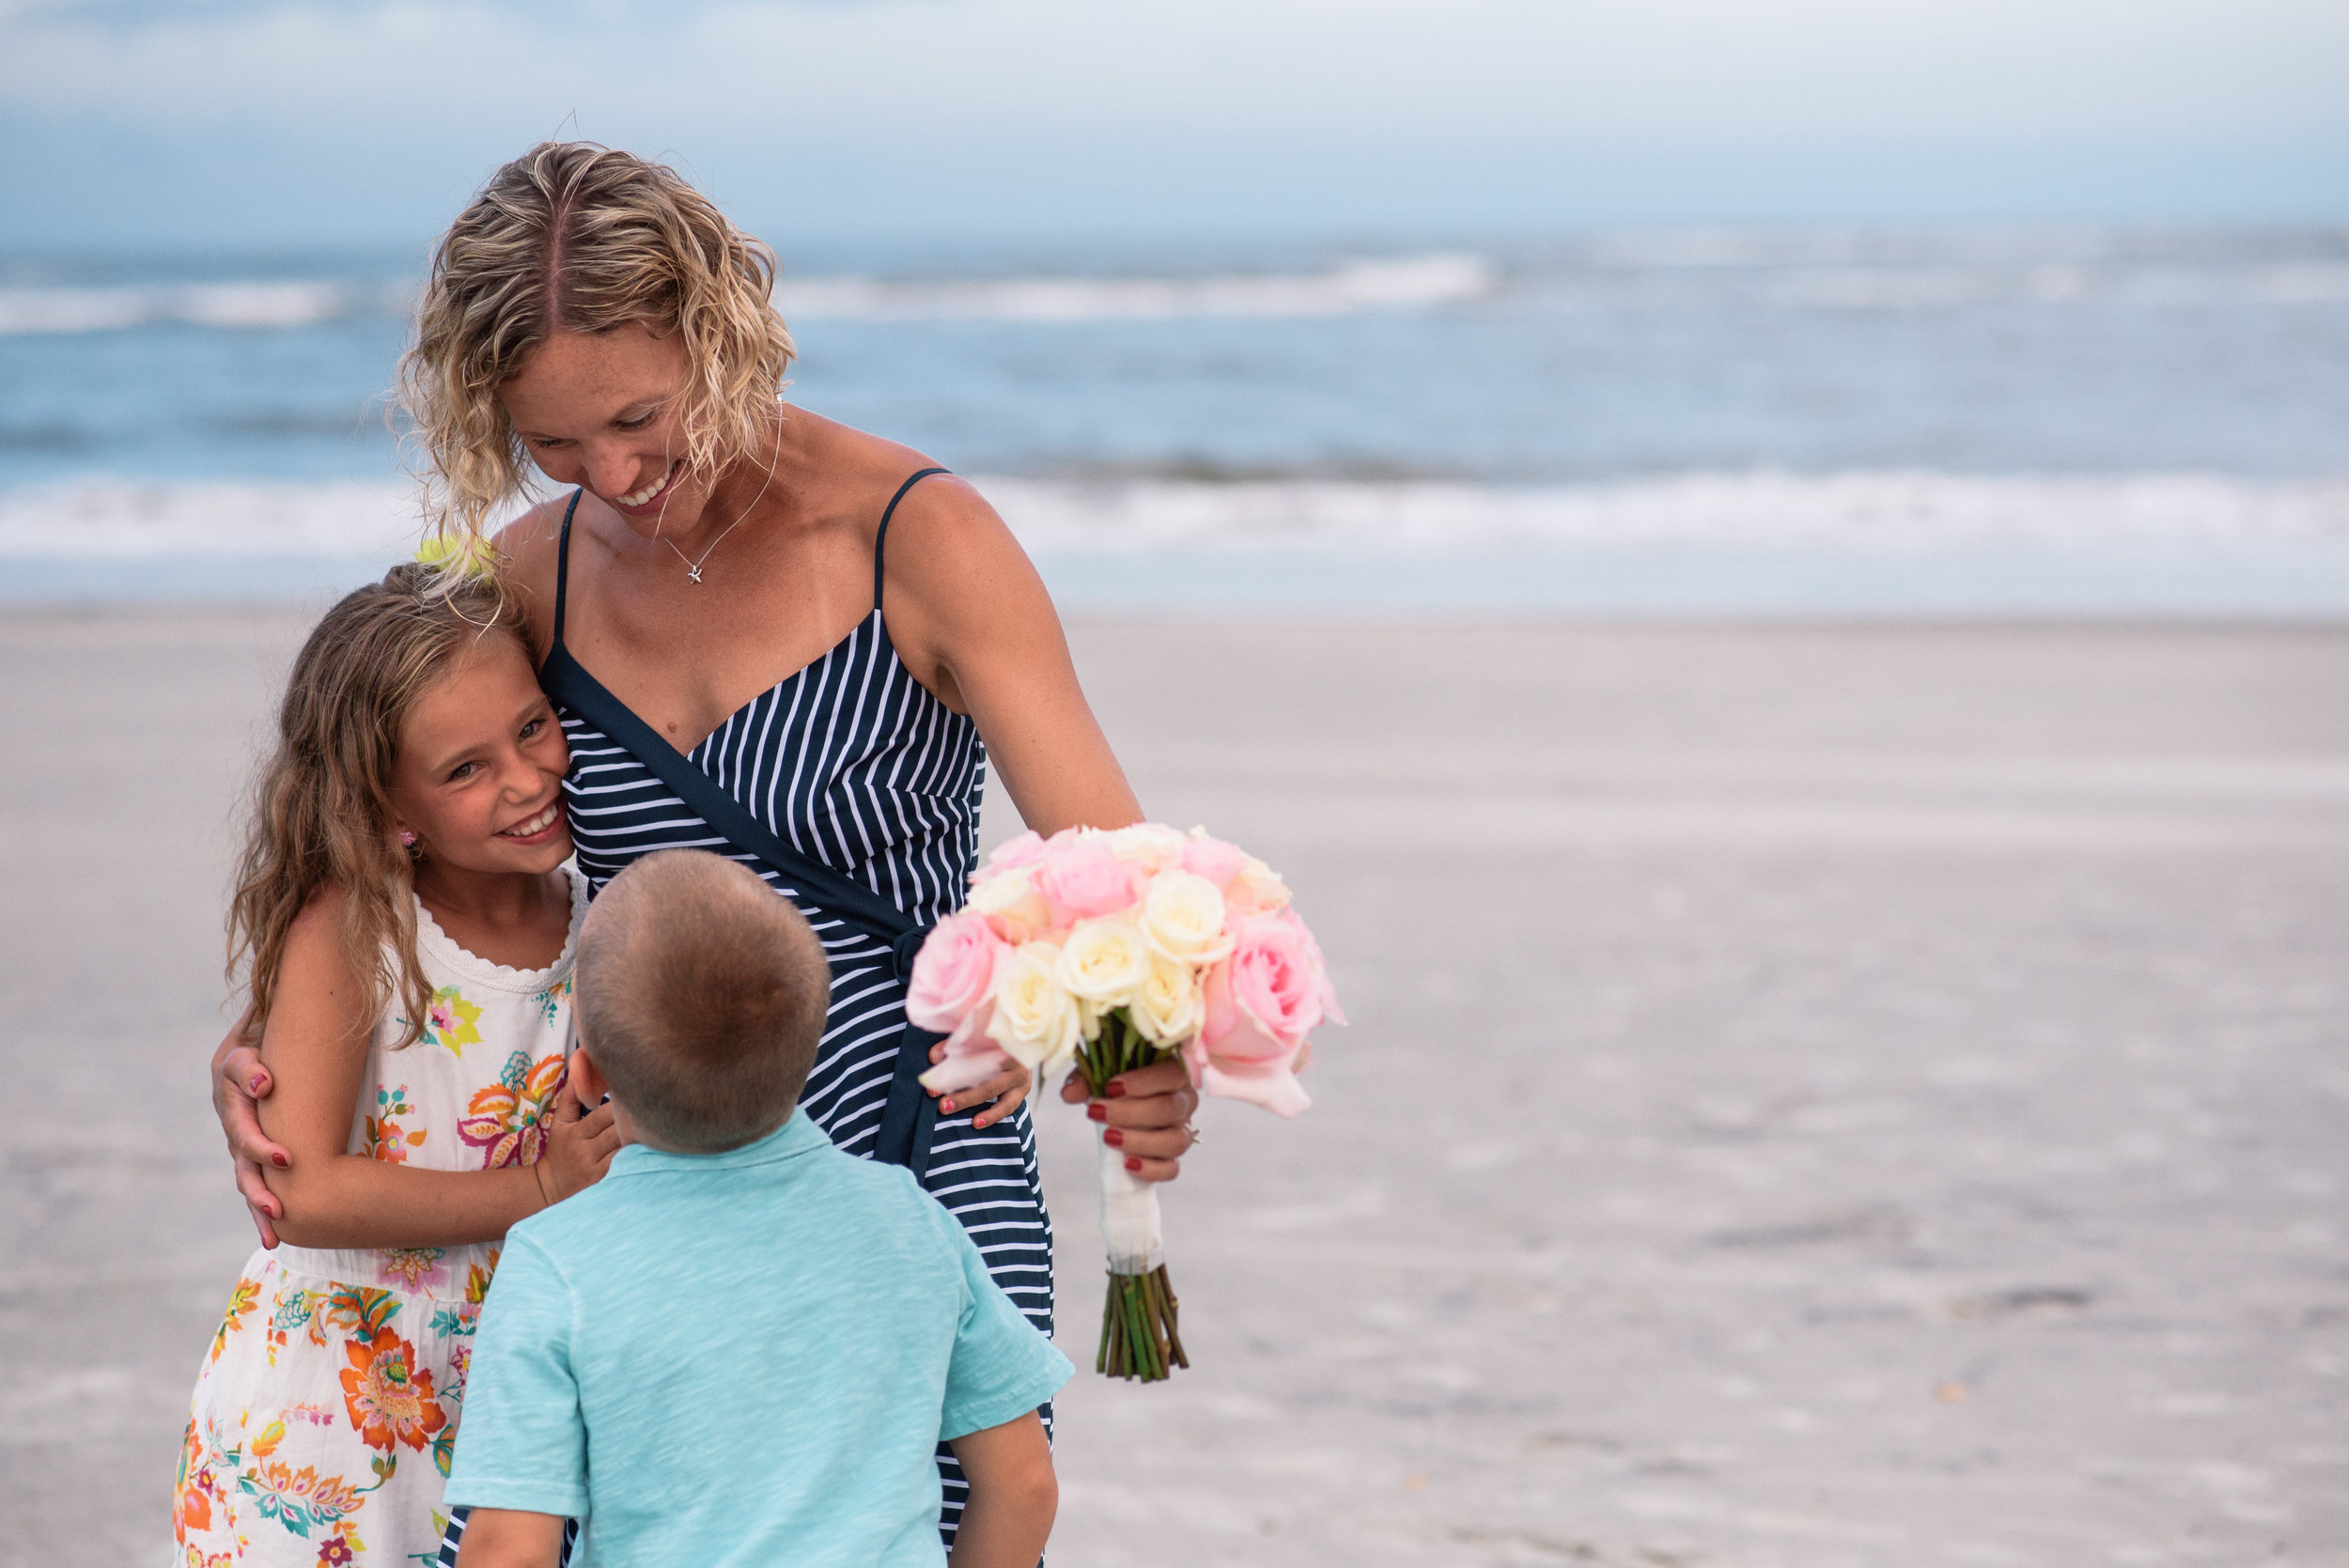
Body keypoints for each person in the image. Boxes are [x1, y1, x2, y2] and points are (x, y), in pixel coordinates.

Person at [210, 141, 1202, 1553]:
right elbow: (401, 825)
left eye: (639, 416)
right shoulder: (532, 579)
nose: (610, 475)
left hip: (921, 1140)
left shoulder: (919, 538)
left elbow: (1108, 872)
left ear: (720, 328)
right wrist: (265, 1045)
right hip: (659, 1170)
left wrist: (1139, 1055)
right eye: (554, 447)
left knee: (952, 1510)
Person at [447, 850, 1070, 1568]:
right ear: (811, 1048)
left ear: (587, 1072)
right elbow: (1024, 1484)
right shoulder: (907, 1220)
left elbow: (508, 1554)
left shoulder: (556, 1263)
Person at [175, 566, 621, 1565]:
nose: (522, 778)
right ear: (386, 801)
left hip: (522, 1384)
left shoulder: (605, 916)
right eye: (463, 769)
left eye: (532, 728)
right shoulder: (358, 927)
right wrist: (540, 1187)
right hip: (337, 1397)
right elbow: (306, 1191)